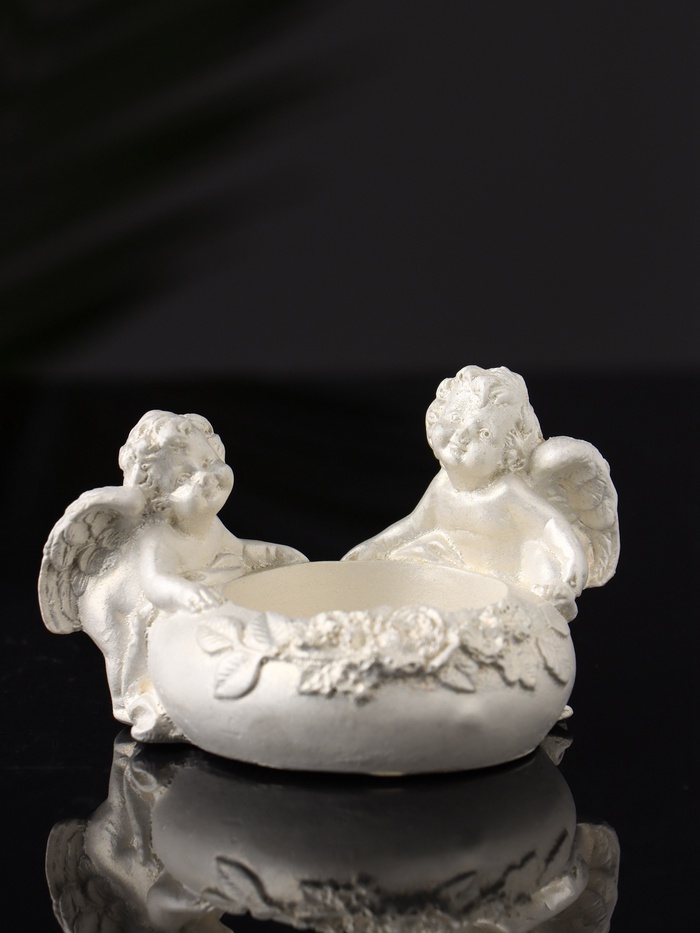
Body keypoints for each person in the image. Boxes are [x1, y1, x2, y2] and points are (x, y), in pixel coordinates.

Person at [344, 367, 588, 619]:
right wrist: (374, 546)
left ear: (507, 452)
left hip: (507, 578)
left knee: (538, 556)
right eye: (455, 417)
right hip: (458, 570)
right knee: (408, 555)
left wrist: (572, 558)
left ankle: (550, 603)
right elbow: (414, 526)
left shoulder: (506, 492)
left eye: (484, 433)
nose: (462, 435)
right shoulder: (442, 486)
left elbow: (548, 524)